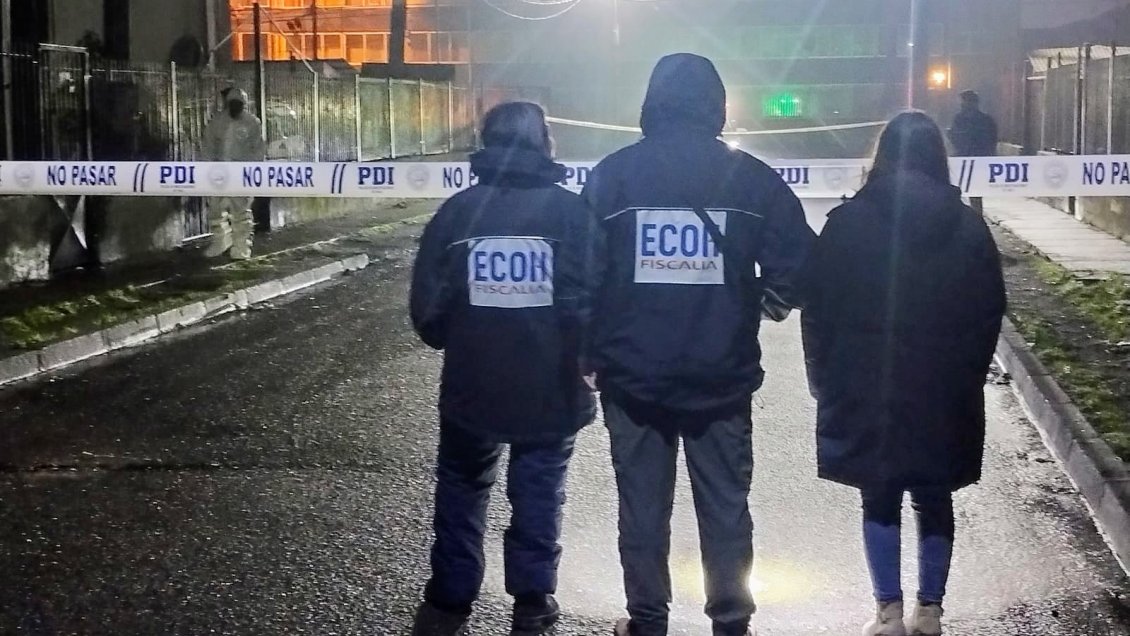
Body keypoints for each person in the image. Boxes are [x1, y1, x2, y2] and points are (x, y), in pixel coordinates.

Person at [582, 53, 816, 636]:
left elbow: (584, 274)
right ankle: (731, 620)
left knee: (642, 509)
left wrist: (588, 351)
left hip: (632, 375)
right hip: (721, 375)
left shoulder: (614, 176)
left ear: (651, 102)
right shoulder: (750, 178)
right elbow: (801, 266)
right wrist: (764, 303)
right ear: (716, 104)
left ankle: (647, 620)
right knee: (725, 507)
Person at [799, 111, 1007, 636]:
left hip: (865, 378)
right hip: (944, 382)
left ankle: (887, 612)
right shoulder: (968, 226)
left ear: (883, 155)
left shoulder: (847, 223)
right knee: (935, 492)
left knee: (879, 493)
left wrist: (822, 377)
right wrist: (970, 374)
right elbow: (989, 308)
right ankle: (930, 611)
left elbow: (818, 308)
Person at [409, 102, 596, 636]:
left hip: (473, 382)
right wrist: (584, 354)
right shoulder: (571, 214)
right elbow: (590, 297)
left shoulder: (457, 214)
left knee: (462, 489)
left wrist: (460, 334)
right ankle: (533, 600)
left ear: (486, 141)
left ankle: (450, 598)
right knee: (540, 491)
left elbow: (429, 310)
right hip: (552, 386)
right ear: (545, 143)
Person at [201, 88, 265, 259]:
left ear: (244, 104)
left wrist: (251, 171)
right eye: (233, 104)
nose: (236, 107)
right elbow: (208, 145)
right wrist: (208, 167)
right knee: (215, 208)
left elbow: (258, 149)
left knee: (241, 211)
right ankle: (221, 240)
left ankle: (242, 247)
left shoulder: (252, 123)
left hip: (241, 173)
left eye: (239, 104)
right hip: (219, 172)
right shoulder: (218, 122)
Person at [948, 90, 998, 213]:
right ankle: (975, 215)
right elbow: (993, 139)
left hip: (967, 159)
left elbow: (956, 137)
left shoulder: (960, 119)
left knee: (963, 190)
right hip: (977, 159)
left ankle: (966, 215)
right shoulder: (986, 119)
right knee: (975, 193)